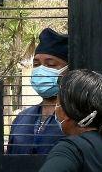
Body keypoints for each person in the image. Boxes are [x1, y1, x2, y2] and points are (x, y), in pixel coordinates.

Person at [8, 27, 69, 155]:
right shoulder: (22, 119)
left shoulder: (75, 121)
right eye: (36, 64)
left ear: (68, 70)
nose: (41, 70)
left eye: (51, 65)